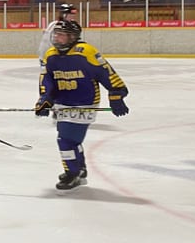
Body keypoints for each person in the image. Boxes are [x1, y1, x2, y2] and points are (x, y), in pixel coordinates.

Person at [35, 20, 129, 190]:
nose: (56, 38)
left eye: (61, 35)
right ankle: (79, 169)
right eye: (55, 34)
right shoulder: (50, 54)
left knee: (65, 139)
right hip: (62, 102)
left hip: (85, 102)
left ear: (72, 37)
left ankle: (72, 173)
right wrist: (45, 99)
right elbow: (47, 79)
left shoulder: (86, 52)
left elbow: (106, 72)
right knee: (71, 139)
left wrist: (116, 94)